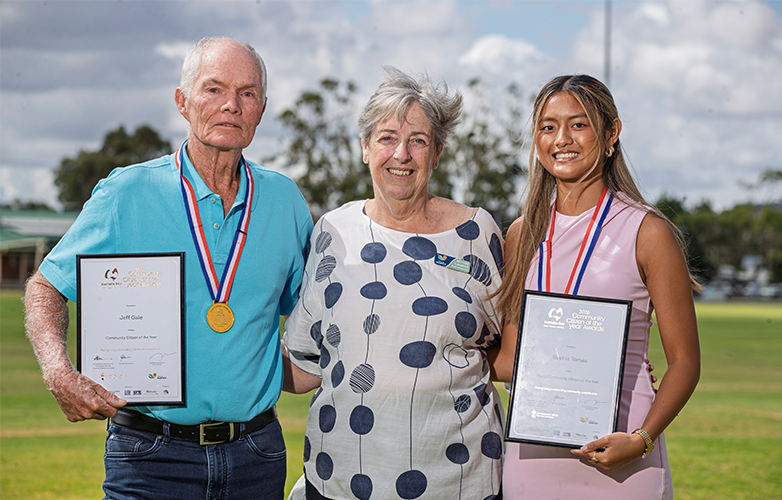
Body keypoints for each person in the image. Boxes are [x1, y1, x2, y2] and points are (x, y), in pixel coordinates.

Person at [23, 36, 313, 499]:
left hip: (256, 455)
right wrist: (59, 372)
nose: (232, 106)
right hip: (149, 457)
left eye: (247, 93)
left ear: (261, 109)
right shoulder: (126, 194)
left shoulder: (285, 202)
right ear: (183, 102)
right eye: (213, 89)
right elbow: (46, 287)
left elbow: (312, 323)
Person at [281, 67, 505, 500]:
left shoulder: (478, 233)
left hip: (459, 483)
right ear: (365, 148)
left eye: (418, 141)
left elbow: (510, 350)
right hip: (341, 481)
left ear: (436, 153)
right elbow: (307, 363)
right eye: (386, 138)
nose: (401, 153)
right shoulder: (332, 231)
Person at [490, 74, 701, 499]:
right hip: (532, 461)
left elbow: (685, 361)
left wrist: (641, 439)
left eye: (579, 124)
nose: (561, 139)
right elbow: (511, 361)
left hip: (623, 458)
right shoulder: (520, 235)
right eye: (548, 127)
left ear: (611, 132)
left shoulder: (647, 231)